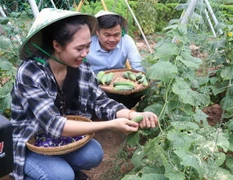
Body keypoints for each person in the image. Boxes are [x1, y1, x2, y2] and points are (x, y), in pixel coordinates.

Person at [10, 8, 158, 180]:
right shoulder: (31, 72)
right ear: (56, 45)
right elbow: (55, 125)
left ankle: (59, 169)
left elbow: (100, 102)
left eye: (88, 46)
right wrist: (110, 124)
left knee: (93, 154)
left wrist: (134, 115)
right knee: (61, 176)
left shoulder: (81, 66)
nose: (86, 53)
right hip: (30, 140)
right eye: (79, 48)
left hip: (60, 138)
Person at [86, 10, 146, 109]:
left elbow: (138, 66)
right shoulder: (88, 43)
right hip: (94, 88)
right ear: (97, 32)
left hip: (121, 87)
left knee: (137, 95)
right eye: (107, 35)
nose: (112, 40)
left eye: (116, 35)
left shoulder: (126, 41)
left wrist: (139, 82)